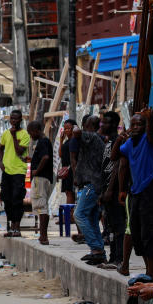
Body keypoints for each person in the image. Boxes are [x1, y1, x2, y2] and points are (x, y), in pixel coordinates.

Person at [117, 108, 153, 278]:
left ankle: (151, 272)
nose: (135, 127)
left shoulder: (150, 139)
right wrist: (121, 137)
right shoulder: (129, 143)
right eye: (132, 124)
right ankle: (149, 271)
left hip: (150, 188)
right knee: (136, 230)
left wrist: (149, 119)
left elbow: (149, 132)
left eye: (139, 124)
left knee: (149, 232)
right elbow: (116, 158)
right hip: (135, 191)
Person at [70, 114, 107, 264]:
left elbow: (77, 132)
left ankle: (96, 248)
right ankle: (98, 251)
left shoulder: (91, 137)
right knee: (91, 218)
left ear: (88, 125)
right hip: (92, 183)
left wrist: (75, 128)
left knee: (79, 214)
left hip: (91, 184)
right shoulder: (96, 139)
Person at [0, 109, 29, 237]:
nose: (13, 121)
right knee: (6, 198)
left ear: (20, 120)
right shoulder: (5, 133)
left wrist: (14, 135)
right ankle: (11, 225)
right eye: (12, 119)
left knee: (17, 198)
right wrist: (0, 162)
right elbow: (1, 149)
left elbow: (19, 151)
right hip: (7, 171)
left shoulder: (24, 134)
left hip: (19, 171)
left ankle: (17, 227)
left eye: (16, 119)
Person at [99, 111, 125, 267]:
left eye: (107, 122)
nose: (103, 125)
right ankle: (113, 256)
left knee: (118, 224)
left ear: (114, 124)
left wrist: (109, 189)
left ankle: (119, 258)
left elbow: (117, 166)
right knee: (110, 225)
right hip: (106, 189)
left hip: (114, 190)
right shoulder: (108, 142)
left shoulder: (118, 141)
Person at [27, 121, 54, 246]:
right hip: (45, 178)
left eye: (30, 133)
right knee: (43, 206)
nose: (30, 135)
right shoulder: (45, 141)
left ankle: (43, 236)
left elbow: (45, 157)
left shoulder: (43, 141)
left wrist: (37, 170)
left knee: (41, 207)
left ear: (36, 130)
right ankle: (43, 235)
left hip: (41, 178)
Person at [58, 119, 77, 204]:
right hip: (65, 170)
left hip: (71, 169)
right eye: (65, 129)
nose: (66, 131)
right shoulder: (66, 141)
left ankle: (69, 215)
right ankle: (69, 215)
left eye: (68, 128)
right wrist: (61, 141)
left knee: (70, 192)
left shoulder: (75, 140)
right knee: (68, 192)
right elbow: (60, 154)